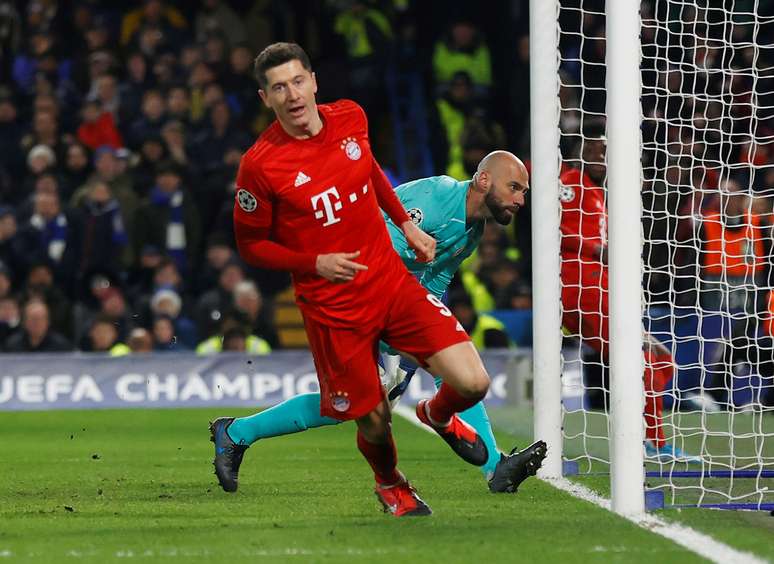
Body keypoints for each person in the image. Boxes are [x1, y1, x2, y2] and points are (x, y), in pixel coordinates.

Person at [211, 42, 503, 517]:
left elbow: (366, 168)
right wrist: (314, 262)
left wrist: (406, 224)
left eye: (298, 80)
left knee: (472, 382)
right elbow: (252, 246)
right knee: (371, 417)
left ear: (314, 80)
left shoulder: (351, 117)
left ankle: (437, 415)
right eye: (279, 87)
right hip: (332, 307)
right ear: (266, 99)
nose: (292, 94)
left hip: (390, 283)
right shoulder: (260, 166)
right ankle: (391, 485)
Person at [212, 150, 545, 494]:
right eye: (515, 187)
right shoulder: (437, 197)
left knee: (403, 388)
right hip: (342, 290)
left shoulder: (473, 231)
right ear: (484, 179)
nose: (521, 199)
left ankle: (494, 467)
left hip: (381, 299)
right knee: (366, 400)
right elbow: (378, 247)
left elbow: (435, 281)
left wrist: (418, 344)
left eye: (524, 192)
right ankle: (237, 432)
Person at [560, 132, 699, 463]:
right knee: (642, 359)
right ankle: (654, 442)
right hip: (583, 283)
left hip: (598, 285)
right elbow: (555, 228)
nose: (599, 156)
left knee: (661, 359)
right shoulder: (570, 182)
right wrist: (598, 250)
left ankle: (642, 435)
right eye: (593, 148)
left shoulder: (597, 191)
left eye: (605, 150)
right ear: (580, 151)